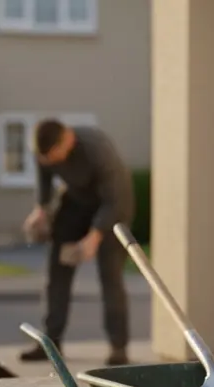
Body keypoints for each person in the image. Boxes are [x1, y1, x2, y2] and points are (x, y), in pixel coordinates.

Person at [19, 118, 134, 366]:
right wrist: (41, 209)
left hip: (112, 209)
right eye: (44, 159)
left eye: (53, 157)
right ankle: (51, 342)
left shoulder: (97, 149)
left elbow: (115, 200)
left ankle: (118, 347)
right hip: (75, 205)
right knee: (57, 272)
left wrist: (95, 236)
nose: (49, 162)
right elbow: (45, 181)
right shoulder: (43, 153)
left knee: (110, 277)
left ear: (67, 140)